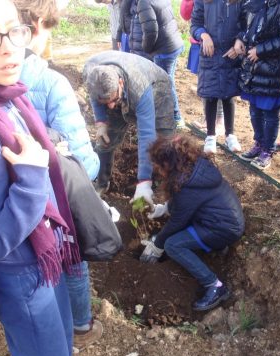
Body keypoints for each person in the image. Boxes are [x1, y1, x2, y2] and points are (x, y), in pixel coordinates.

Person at [0, 0, 81, 356]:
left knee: (61, 352)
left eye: (14, 30)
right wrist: (29, 179)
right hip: (22, 275)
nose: (10, 46)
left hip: (45, 256)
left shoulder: (10, 100)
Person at [15, 0, 103, 348]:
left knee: (28, 265)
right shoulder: (52, 83)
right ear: (35, 25)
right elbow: (85, 162)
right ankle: (80, 325)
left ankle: (34, 328)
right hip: (51, 201)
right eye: (49, 28)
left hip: (12, 206)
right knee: (72, 257)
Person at [140, 135, 245, 311]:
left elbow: (178, 221)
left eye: (158, 165)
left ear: (168, 163)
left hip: (222, 228)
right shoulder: (194, 167)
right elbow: (185, 204)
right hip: (225, 220)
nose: (156, 169)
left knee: (172, 245)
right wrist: (165, 208)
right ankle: (215, 248)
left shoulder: (186, 184)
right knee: (170, 236)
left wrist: (158, 245)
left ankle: (215, 286)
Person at [83, 50, 175, 203]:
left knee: (164, 142)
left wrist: (144, 181)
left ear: (120, 82)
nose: (111, 107)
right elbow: (95, 97)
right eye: (106, 103)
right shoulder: (90, 73)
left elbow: (147, 136)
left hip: (157, 89)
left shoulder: (139, 87)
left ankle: (161, 189)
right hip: (120, 91)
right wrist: (101, 122)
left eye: (113, 100)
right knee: (105, 140)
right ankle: (101, 183)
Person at [235, 0, 280, 170]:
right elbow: (243, 24)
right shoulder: (253, 3)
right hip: (252, 68)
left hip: (271, 69)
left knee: (269, 112)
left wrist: (260, 50)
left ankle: (268, 150)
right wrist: (240, 39)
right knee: (254, 109)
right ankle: (258, 143)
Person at [190, 0, 244, 154]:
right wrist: (203, 34)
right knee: (210, 95)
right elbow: (195, 24)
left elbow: (246, 21)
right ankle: (210, 136)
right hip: (210, 54)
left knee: (229, 96)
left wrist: (240, 40)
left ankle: (230, 134)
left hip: (230, 52)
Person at [138, 0, 185, 129]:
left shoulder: (143, 3)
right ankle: (175, 116)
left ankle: (176, 117)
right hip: (173, 42)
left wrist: (146, 49)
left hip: (163, 49)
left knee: (165, 83)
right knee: (168, 80)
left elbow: (150, 31)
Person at [180, 0, 225, 135]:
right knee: (205, 82)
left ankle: (220, 121)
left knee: (220, 81)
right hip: (200, 41)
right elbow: (185, 14)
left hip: (219, 43)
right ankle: (208, 118)